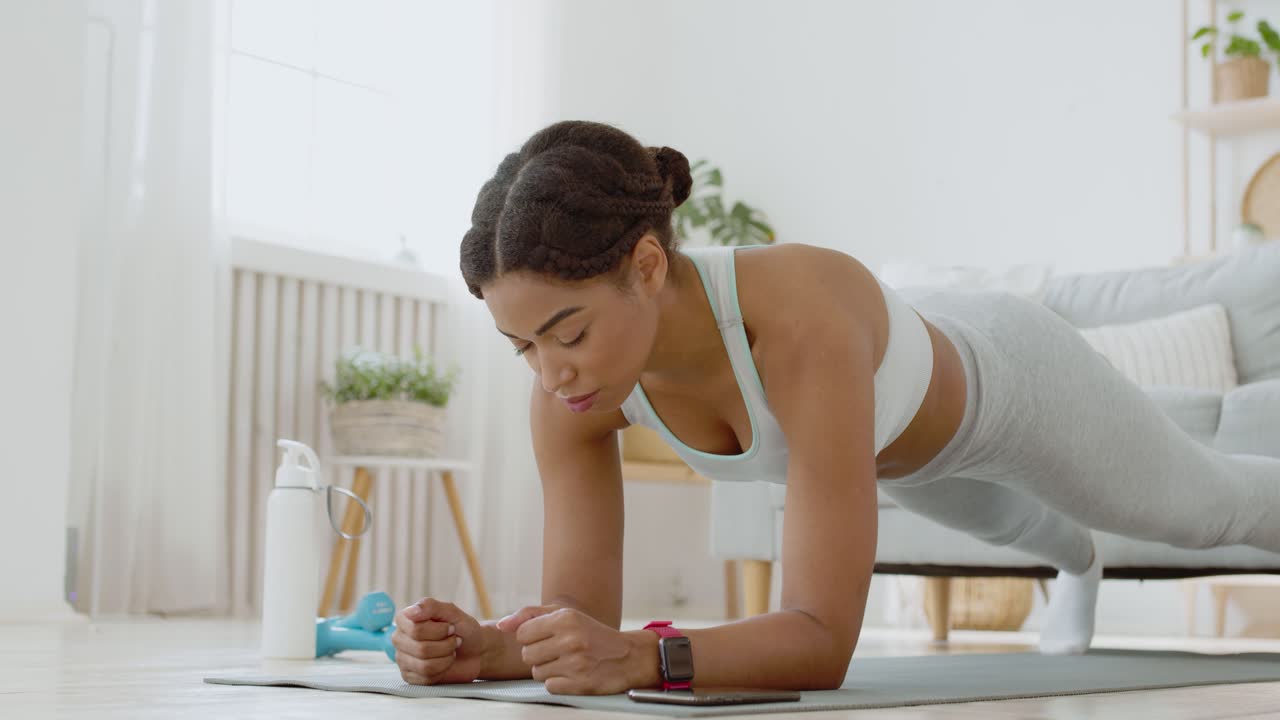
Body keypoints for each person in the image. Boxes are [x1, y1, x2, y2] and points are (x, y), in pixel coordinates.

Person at [389, 120, 1280, 695]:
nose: (549, 375)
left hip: (1009, 381)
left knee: (1204, 512)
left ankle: (1095, 547)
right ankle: (1073, 563)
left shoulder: (802, 321)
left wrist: (645, 655)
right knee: (1033, 533)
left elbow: (820, 642)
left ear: (649, 267)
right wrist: (497, 648)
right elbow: (576, 619)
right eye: (523, 347)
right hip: (901, 447)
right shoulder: (570, 395)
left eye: (567, 333)